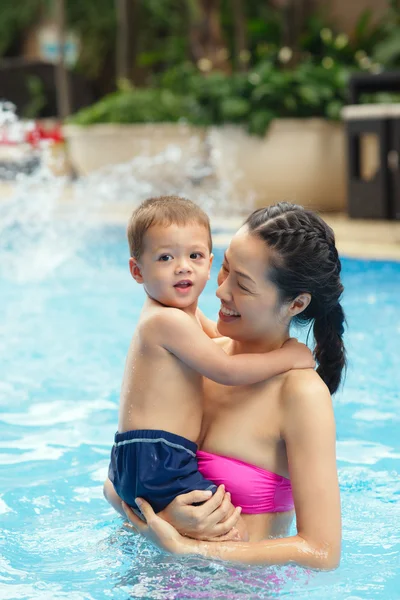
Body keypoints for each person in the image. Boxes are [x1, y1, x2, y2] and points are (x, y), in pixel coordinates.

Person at [121, 202, 346, 571]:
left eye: (241, 284)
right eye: (223, 269)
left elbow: (322, 552)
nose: (220, 291)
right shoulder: (197, 356)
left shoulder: (300, 393)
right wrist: (158, 515)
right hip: (144, 578)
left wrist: (191, 549)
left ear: (296, 303)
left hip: (231, 589)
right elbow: (119, 477)